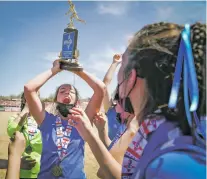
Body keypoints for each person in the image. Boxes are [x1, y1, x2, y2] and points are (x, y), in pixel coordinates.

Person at [66, 22, 206, 179]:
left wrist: (90, 135)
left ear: (130, 77)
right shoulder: (165, 129)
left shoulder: (171, 166)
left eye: (122, 65)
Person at [24, 59, 105, 179]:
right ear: (56, 100)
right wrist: (55, 70)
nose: (67, 93)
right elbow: (29, 89)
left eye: (71, 92)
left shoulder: (84, 120)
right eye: (62, 91)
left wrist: (78, 71)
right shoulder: (45, 120)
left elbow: (100, 89)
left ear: (77, 101)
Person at [7, 92, 42, 179]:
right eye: (29, 96)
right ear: (23, 100)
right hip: (22, 170)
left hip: (41, 170)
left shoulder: (41, 119)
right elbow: (11, 132)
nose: (33, 99)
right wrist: (25, 111)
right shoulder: (15, 118)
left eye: (36, 97)